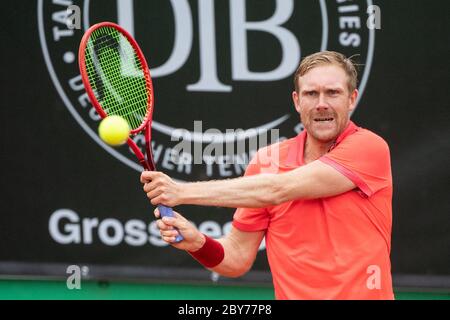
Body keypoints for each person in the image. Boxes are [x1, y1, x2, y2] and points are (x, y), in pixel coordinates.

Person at [141, 51, 394, 300]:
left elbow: (278, 189)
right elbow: (237, 258)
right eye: (311, 94)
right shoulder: (266, 162)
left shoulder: (370, 148)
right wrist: (197, 242)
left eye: (333, 93)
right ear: (297, 101)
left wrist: (181, 191)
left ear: (352, 99)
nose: (321, 103)